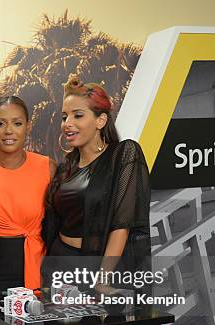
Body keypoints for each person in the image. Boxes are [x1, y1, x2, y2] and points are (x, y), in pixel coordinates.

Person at [44, 74, 151, 297]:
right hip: (59, 266)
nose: (67, 124)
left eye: (78, 115)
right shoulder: (65, 169)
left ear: (101, 120)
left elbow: (122, 224)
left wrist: (103, 280)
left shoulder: (123, 155)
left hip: (98, 267)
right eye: (65, 117)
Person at [0, 96, 56, 299]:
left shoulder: (47, 167)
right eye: (0, 124)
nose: (8, 131)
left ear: (28, 126)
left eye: (17, 123)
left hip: (37, 265)